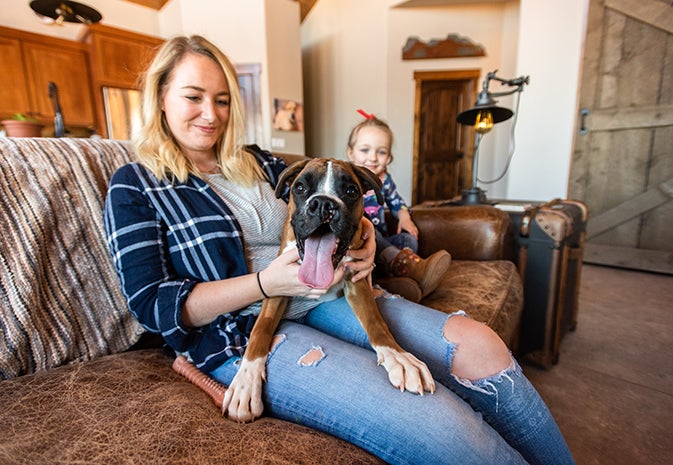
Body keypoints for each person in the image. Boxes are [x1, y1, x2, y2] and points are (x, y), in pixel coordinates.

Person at [103, 34, 576, 465]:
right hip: (237, 330)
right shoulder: (136, 185)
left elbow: (337, 206)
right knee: (442, 425)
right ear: (161, 97)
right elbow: (152, 305)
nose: (210, 113)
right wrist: (267, 283)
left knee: (480, 347)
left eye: (222, 100)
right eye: (193, 97)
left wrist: (366, 237)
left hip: (325, 295)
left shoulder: (260, 162)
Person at [347, 110, 450, 303]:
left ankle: (397, 275)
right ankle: (409, 267)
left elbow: (397, 202)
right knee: (367, 228)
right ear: (350, 152)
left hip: (382, 244)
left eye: (381, 151)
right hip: (361, 243)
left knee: (408, 239)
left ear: (389, 156)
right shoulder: (348, 179)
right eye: (365, 150)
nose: (373, 158)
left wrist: (404, 217)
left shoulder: (384, 180)